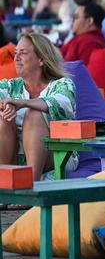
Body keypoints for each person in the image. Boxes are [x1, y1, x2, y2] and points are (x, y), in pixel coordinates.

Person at [0, 33, 76, 180]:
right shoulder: (10, 86)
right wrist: (5, 105)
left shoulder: (62, 84)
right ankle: (5, 184)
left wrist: (23, 103)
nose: (16, 58)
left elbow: (62, 104)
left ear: (41, 59)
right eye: (16, 53)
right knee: (2, 118)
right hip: (16, 157)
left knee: (34, 114)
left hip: (56, 155)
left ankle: (29, 186)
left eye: (23, 53)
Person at [60, 2, 105, 66]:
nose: (72, 20)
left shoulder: (90, 43)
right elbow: (59, 53)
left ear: (89, 21)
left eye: (76, 17)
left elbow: (86, 73)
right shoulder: (79, 36)